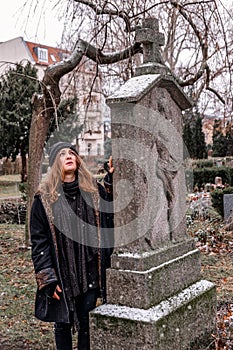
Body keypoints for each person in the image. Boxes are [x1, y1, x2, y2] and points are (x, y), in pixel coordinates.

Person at [30, 141, 114, 350]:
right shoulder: (43, 200)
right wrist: (48, 279)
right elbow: (38, 241)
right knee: (62, 324)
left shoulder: (94, 192)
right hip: (62, 272)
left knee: (86, 322)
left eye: (71, 153)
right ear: (55, 164)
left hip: (89, 270)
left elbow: (111, 211)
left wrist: (112, 178)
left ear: (77, 160)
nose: (68, 156)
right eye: (62, 154)